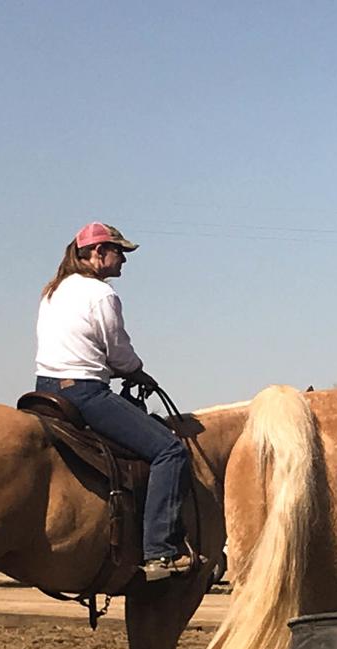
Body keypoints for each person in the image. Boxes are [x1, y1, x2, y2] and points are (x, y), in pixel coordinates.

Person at [35, 222, 197, 582]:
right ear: (97, 253)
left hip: (44, 390)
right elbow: (118, 352)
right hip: (84, 391)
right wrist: (137, 371)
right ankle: (160, 552)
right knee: (170, 451)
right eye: (118, 251)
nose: (123, 259)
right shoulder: (101, 294)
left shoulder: (53, 291)